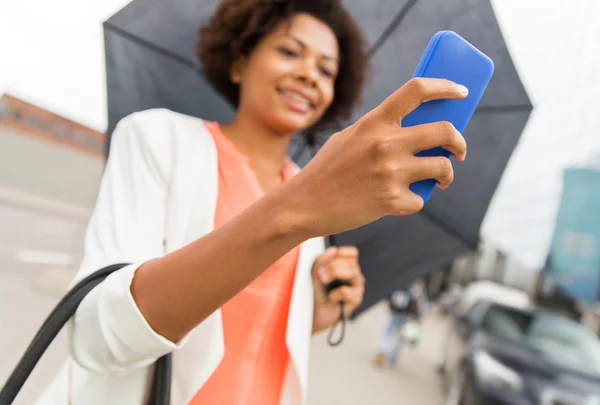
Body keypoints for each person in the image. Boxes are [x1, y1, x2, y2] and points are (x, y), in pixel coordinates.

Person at [35, 0, 468, 403]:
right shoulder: (156, 139)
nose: (308, 75)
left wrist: (313, 315)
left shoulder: (308, 190)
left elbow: (255, 332)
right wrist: (296, 209)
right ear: (240, 61)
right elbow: (99, 338)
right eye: (289, 52)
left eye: (326, 70)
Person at [374, 283, 428, 368]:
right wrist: (419, 317)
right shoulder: (416, 286)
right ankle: (393, 358)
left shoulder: (400, 281)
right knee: (399, 338)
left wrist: (388, 304)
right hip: (405, 315)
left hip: (395, 313)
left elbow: (390, 294)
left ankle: (382, 349)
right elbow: (421, 304)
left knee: (387, 333)